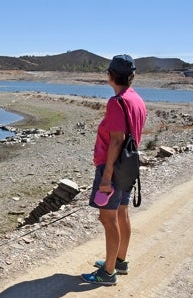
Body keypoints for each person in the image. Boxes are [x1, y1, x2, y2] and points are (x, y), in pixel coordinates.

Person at [81, 54, 147, 285]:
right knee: (122, 212)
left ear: (110, 75)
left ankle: (107, 273)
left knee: (107, 218)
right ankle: (119, 261)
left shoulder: (117, 102)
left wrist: (106, 175)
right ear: (132, 76)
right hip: (129, 166)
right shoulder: (137, 99)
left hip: (114, 167)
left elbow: (117, 140)